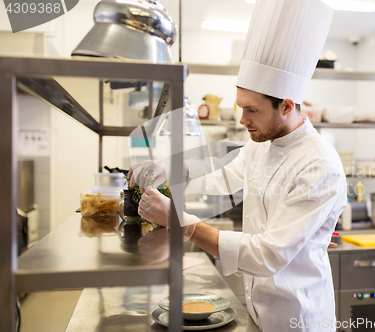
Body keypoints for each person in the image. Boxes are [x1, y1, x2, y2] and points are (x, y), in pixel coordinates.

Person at [129, 0, 346, 330]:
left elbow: (267, 255)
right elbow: (227, 176)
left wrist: (179, 220)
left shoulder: (318, 166)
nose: (243, 119)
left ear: (287, 105)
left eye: (252, 110)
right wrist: (169, 169)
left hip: (297, 319)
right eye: (240, 108)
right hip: (259, 309)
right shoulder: (262, 143)